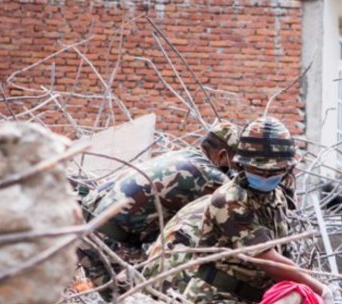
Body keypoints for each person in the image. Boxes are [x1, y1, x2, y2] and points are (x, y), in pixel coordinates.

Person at [183, 116, 335, 304]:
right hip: (217, 301)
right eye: (258, 170)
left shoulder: (277, 197)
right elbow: (267, 260)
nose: (265, 177)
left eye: (273, 171)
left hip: (255, 301)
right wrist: (320, 289)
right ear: (242, 164)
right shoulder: (230, 200)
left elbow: (284, 255)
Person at [79, 120, 240, 287]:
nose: (234, 170)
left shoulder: (179, 154)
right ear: (221, 155)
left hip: (86, 228)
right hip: (109, 239)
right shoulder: (207, 175)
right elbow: (239, 204)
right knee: (154, 290)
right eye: (235, 164)